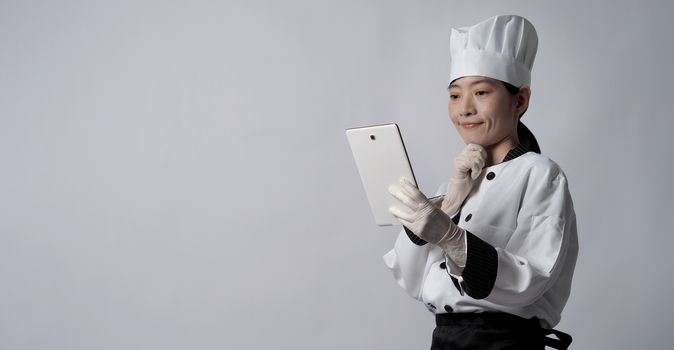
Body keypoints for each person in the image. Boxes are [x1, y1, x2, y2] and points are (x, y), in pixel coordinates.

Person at [383, 15, 578, 349]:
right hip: (444, 340)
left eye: (482, 92)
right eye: (455, 96)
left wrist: (450, 236)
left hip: (503, 343)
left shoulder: (541, 175)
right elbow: (414, 282)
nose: (465, 109)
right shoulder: (453, 185)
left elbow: (530, 280)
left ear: (520, 100)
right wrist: (449, 203)